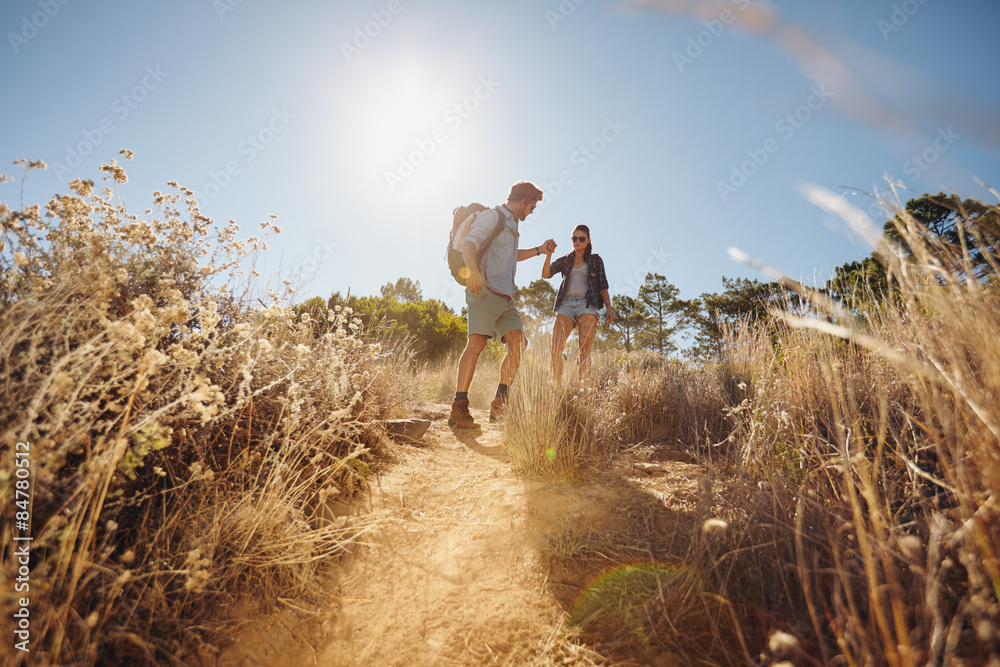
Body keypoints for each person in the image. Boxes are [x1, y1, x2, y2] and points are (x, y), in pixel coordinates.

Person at [449, 181, 556, 430]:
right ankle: (459, 408)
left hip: (506, 297)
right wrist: (473, 272)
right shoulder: (492, 216)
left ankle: (500, 402)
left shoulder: (512, 224)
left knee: (518, 344)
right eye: (531, 207)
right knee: (476, 344)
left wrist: (539, 250)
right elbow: (469, 243)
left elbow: (511, 253)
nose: (531, 212)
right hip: (484, 290)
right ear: (522, 202)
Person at [542, 224, 615, 381]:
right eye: (574, 238)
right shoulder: (566, 260)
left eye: (581, 238)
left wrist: (609, 308)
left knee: (584, 348)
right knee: (556, 347)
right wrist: (548, 254)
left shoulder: (595, 260)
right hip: (565, 305)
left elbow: (603, 286)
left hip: (588, 304)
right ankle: (556, 387)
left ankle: (583, 390)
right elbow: (546, 274)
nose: (577, 241)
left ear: (588, 240)